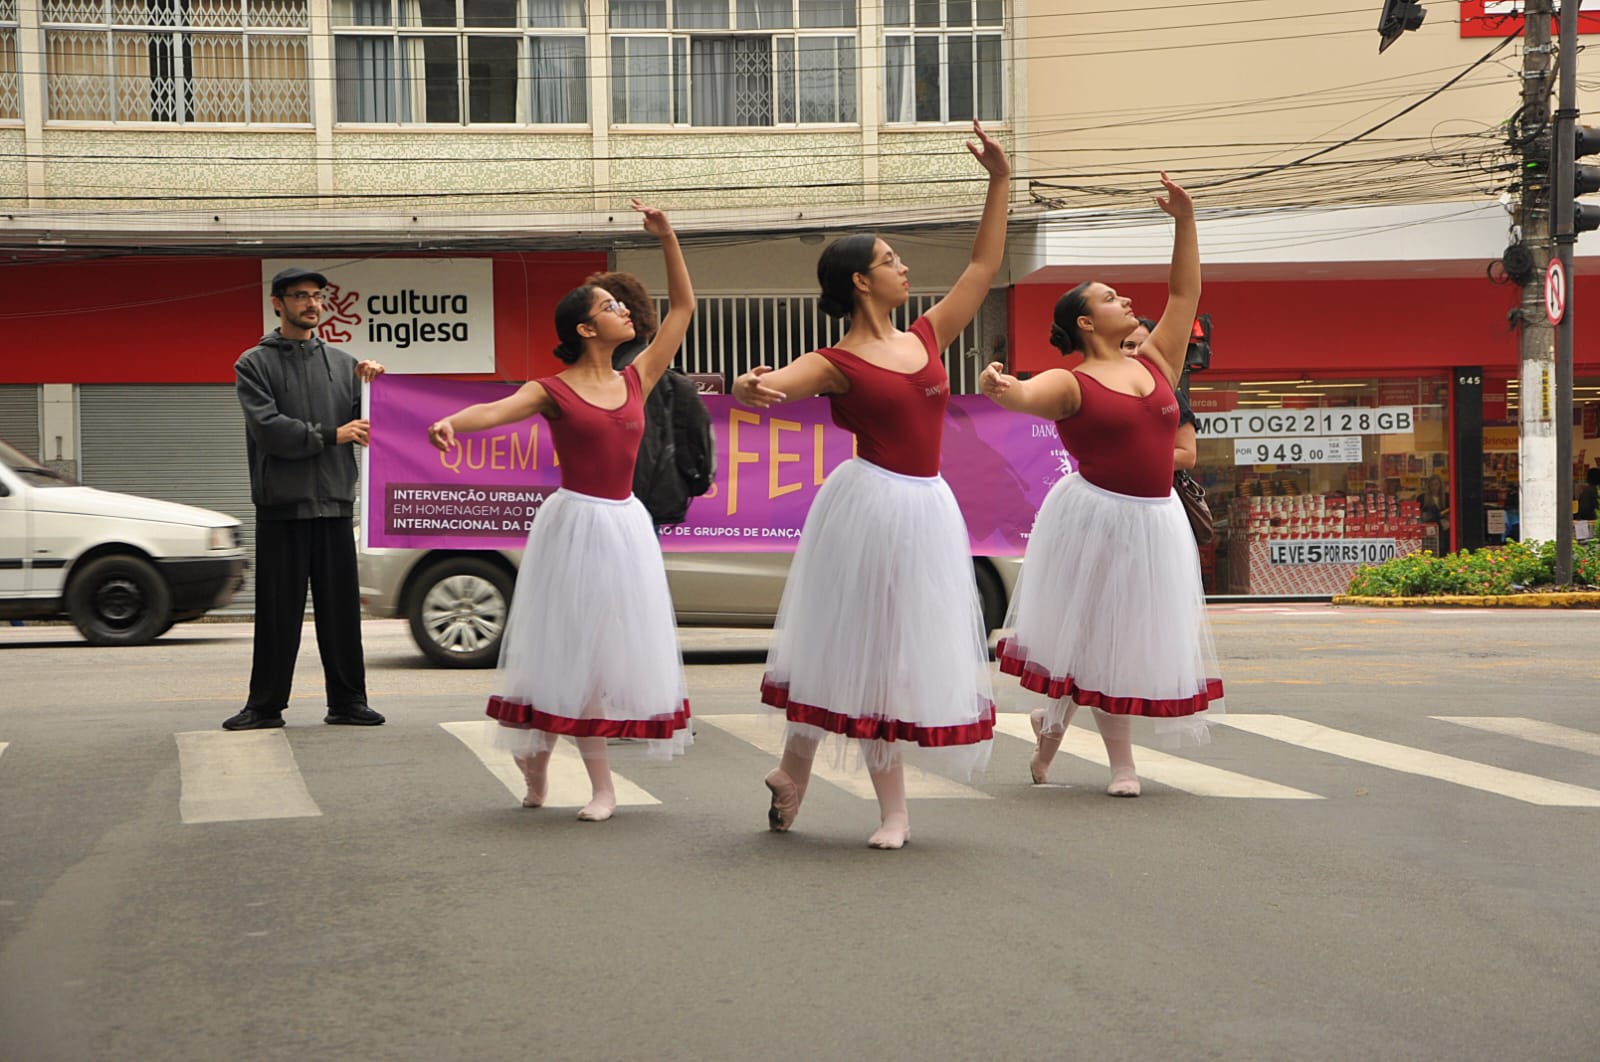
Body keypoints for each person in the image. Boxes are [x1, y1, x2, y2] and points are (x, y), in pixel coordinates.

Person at [731, 120, 1010, 850]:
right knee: (869, 650)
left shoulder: (925, 337)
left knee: (889, 650)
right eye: (892, 260)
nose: (904, 269)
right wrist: (748, 384)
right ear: (861, 280)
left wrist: (1000, 183)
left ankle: (793, 770)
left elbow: (982, 269)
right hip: (872, 508)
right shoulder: (835, 359)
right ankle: (893, 811)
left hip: (925, 507)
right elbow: (776, 385)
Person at [427, 201, 694, 822]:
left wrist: (668, 237)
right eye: (608, 306)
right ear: (584, 329)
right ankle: (588, 780)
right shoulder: (551, 390)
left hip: (624, 524)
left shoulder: (638, 378)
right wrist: (449, 422)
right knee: (569, 650)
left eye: (620, 304)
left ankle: (544, 755)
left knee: (599, 655)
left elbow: (682, 309)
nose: (623, 310)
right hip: (575, 526)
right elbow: (492, 412)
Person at [979, 173, 1223, 797]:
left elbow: (1184, 291)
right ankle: (1122, 765)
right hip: (1096, 516)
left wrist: (1186, 220)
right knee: (1095, 634)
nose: (1126, 302)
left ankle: (1050, 721)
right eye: (1112, 298)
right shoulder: (1072, 382)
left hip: (1155, 518)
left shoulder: (1158, 362)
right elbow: (1029, 396)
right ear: (1087, 323)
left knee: (1126, 633)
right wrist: (1003, 390)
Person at [223, 268, 386, 731]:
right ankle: (265, 706)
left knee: (340, 613)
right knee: (278, 612)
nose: (312, 304)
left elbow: (372, 422)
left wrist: (375, 383)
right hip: (282, 506)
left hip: (335, 503)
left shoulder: (342, 364)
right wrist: (333, 435)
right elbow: (270, 430)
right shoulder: (253, 363)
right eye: (300, 297)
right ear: (278, 303)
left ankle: (348, 702)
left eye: (317, 297)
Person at [593, 268, 712, 529]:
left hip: (617, 506)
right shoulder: (650, 374)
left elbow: (683, 307)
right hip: (640, 508)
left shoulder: (632, 373)